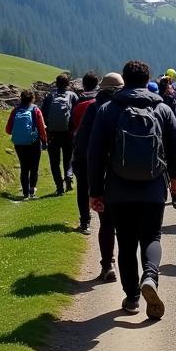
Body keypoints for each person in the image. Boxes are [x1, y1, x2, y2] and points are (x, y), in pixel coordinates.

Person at [88, 60, 176, 319]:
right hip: (154, 187)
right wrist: (175, 181)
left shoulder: (108, 110)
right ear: (147, 79)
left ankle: (131, 297)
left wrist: (95, 191)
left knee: (126, 242)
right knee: (152, 237)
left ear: (124, 79)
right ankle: (150, 276)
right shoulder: (162, 109)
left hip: (118, 188)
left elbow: (95, 154)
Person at [72, 71, 123, 281]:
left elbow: (83, 147)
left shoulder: (94, 109)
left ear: (101, 89)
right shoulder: (127, 108)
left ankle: (108, 264)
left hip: (101, 176)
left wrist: (89, 184)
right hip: (125, 175)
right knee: (127, 225)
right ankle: (137, 271)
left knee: (107, 223)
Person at [41, 73, 79, 196]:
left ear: (56, 84)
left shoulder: (50, 97)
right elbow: (77, 114)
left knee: (54, 161)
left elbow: (43, 115)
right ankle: (68, 176)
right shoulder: (72, 96)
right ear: (68, 84)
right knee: (68, 157)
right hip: (68, 133)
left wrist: (47, 131)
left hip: (53, 134)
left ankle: (59, 187)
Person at [6, 89, 47, 199]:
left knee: (24, 167)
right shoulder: (36, 110)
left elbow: (8, 130)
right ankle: (32, 190)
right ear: (33, 98)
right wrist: (44, 140)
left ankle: (25, 193)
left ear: (21, 98)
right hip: (34, 142)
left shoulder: (15, 111)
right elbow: (41, 127)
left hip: (19, 143)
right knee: (34, 167)